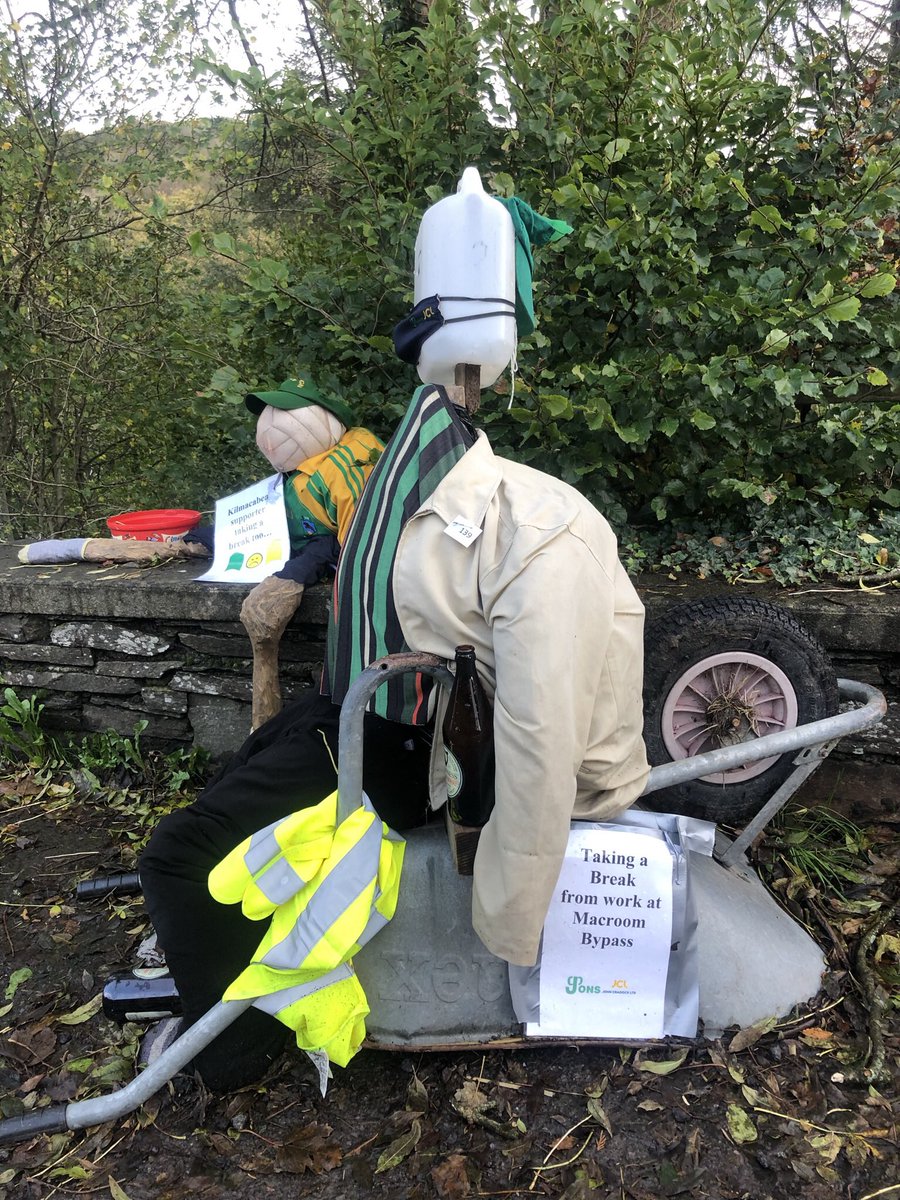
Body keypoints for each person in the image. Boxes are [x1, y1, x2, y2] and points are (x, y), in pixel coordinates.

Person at [138, 381, 648, 1089]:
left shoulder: (534, 536)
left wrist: (511, 919)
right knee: (238, 777)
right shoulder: (456, 495)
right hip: (387, 716)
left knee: (175, 854)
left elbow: (541, 733)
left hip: (429, 748)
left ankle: (235, 1056)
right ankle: (216, 950)